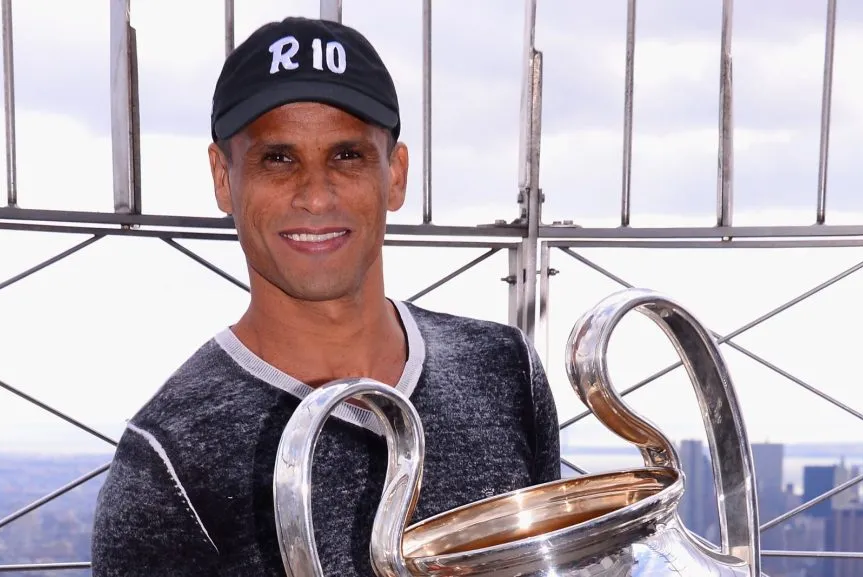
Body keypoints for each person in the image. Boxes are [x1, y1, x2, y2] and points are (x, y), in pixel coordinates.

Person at [90, 15, 561, 576]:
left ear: (396, 174)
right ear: (223, 177)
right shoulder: (169, 458)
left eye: (347, 156)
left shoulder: (504, 368)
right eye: (278, 159)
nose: (315, 196)